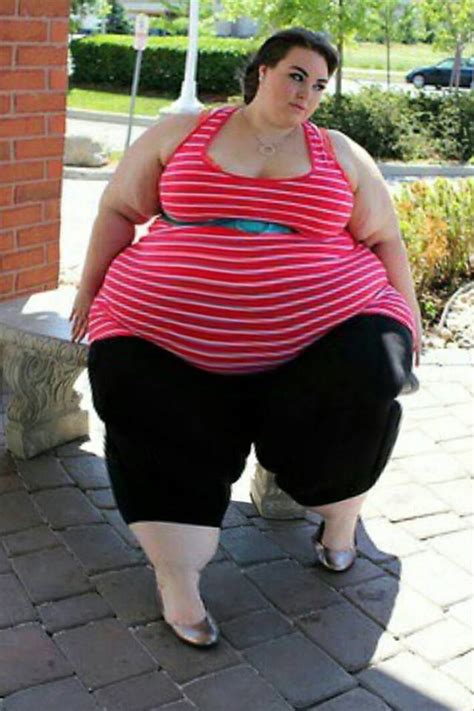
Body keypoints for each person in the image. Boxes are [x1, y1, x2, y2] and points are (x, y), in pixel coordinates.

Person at [70, 27, 422, 648]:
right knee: (142, 405)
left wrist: (410, 320)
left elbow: (384, 238)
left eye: (319, 84)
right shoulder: (183, 132)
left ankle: (340, 519)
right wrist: (86, 292)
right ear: (262, 70)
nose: (307, 93)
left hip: (320, 339)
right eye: (296, 75)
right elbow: (119, 210)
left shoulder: (339, 150)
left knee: (367, 377)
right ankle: (177, 576)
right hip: (166, 338)